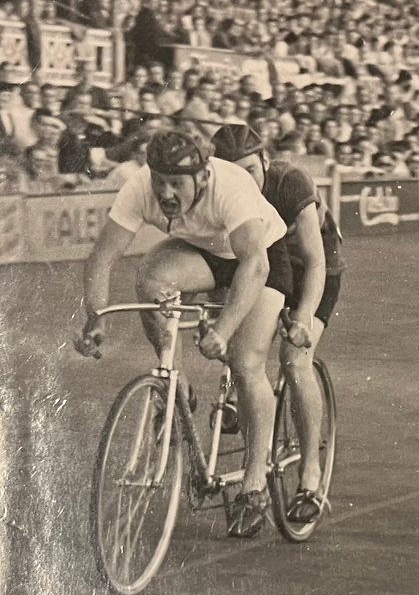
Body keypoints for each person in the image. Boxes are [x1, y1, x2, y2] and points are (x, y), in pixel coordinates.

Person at [75, 129, 292, 539]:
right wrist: (96, 316)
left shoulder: (231, 187)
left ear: (204, 178)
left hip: (260, 256)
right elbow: (104, 256)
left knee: (246, 363)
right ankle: (176, 384)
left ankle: (254, 483)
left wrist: (224, 330)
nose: (167, 193)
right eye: (161, 182)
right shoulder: (139, 188)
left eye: (178, 183)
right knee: (151, 280)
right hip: (206, 253)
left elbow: (254, 266)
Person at [211, 123, 346, 523]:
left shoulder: (289, 182)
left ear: (265, 162)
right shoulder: (220, 191)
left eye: (250, 170)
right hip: (265, 267)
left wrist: (303, 315)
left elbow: (317, 260)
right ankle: (239, 397)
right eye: (231, 170)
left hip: (311, 267)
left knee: (294, 358)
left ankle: (310, 474)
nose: (242, 180)